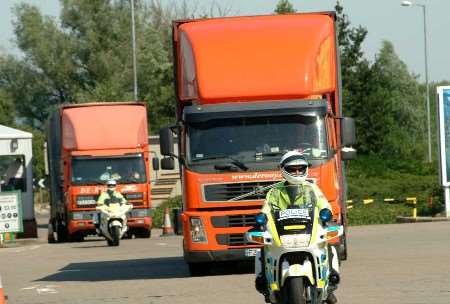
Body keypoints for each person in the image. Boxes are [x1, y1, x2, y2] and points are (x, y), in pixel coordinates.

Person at [255, 150, 339, 304]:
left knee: (329, 245)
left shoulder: (312, 188)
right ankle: (264, 283)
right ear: (283, 170)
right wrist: (262, 217)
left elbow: (323, 203)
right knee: (263, 248)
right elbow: (266, 209)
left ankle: (330, 283)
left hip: (308, 228)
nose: (297, 172)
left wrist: (326, 211)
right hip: (283, 231)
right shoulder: (274, 191)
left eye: (301, 168)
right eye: (293, 169)